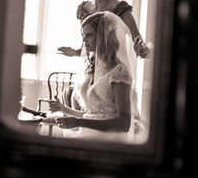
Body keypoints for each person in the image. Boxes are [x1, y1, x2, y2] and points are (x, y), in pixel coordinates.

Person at [49, 11, 140, 142]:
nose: (84, 40)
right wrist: (63, 109)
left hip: (108, 142)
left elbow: (124, 124)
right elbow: (93, 115)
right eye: (83, 35)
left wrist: (79, 122)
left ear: (103, 36)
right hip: (86, 136)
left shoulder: (119, 72)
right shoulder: (92, 70)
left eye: (89, 35)